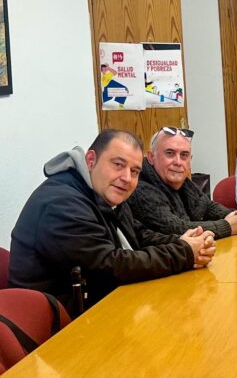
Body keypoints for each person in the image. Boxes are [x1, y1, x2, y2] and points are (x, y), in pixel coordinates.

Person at [9, 130, 216, 314]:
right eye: (118, 164)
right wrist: (184, 252)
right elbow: (112, 265)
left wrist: (187, 242)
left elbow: (138, 234)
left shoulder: (105, 192)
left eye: (135, 171)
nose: (126, 177)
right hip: (60, 329)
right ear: (91, 160)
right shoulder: (61, 203)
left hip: (105, 304)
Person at [128, 126, 237, 238]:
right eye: (170, 153)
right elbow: (175, 228)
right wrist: (229, 226)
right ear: (151, 157)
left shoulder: (180, 180)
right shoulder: (140, 187)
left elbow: (206, 206)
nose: (178, 162)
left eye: (184, 155)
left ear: (190, 160)